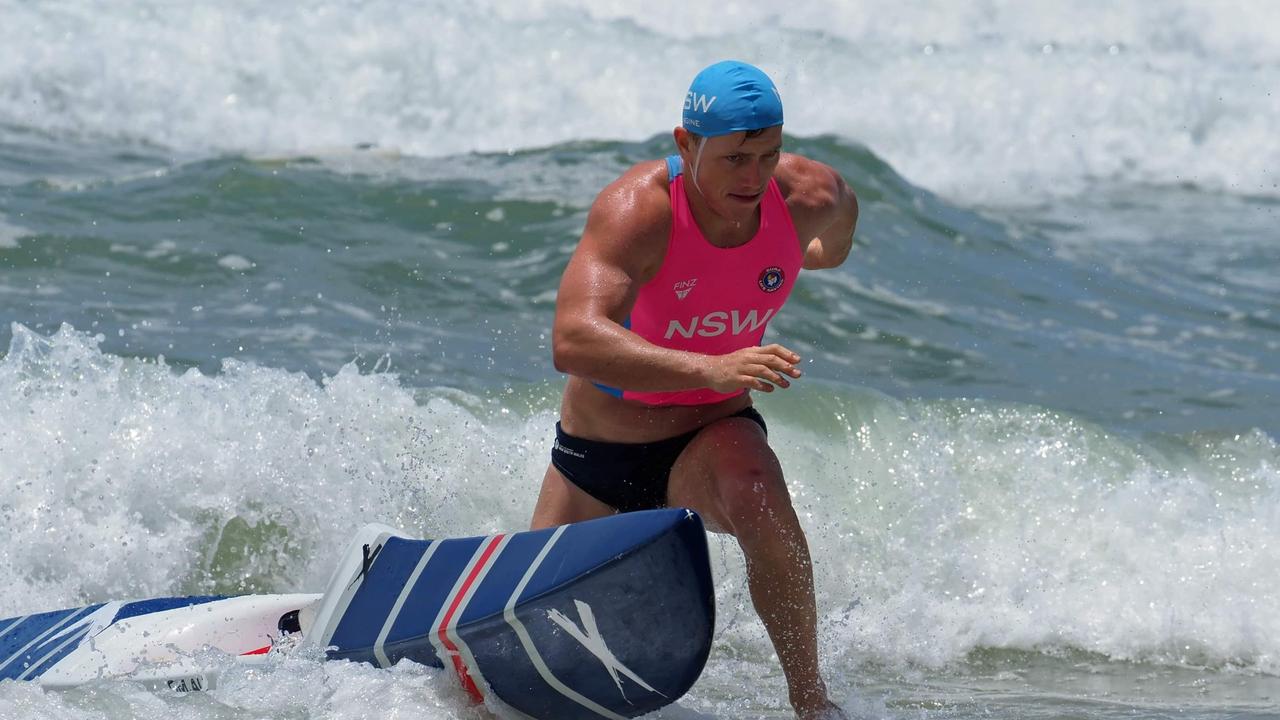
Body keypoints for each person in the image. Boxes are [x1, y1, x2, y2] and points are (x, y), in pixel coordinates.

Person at [530, 60, 858, 720]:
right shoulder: (639, 212)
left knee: (759, 491)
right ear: (686, 144)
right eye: (736, 158)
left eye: (769, 155)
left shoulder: (812, 199)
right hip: (601, 456)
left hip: (709, 438)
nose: (754, 177)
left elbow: (829, 247)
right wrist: (708, 368)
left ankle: (812, 702)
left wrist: (781, 257)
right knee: (534, 654)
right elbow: (574, 339)